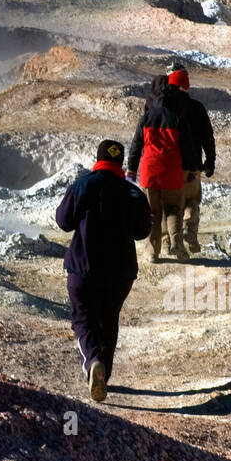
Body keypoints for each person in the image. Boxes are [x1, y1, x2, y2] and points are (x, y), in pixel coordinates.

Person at [56, 139, 151, 402]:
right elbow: (143, 231)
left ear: (98, 160)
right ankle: (102, 376)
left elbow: (63, 221)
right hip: (120, 273)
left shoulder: (83, 185)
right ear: (120, 163)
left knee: (83, 318)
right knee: (108, 318)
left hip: (83, 269)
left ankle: (92, 363)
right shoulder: (132, 193)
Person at [126, 75, 200, 262]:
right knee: (174, 209)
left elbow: (136, 145)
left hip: (149, 170)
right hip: (172, 171)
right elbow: (188, 147)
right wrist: (191, 169)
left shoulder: (147, 118)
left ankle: (152, 253)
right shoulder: (177, 119)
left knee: (152, 213)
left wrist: (131, 169)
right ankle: (176, 243)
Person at [164, 68, 216, 254]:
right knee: (192, 200)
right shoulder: (197, 107)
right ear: (186, 86)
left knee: (171, 204)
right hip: (192, 166)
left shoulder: (164, 107)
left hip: (169, 166)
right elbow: (207, 137)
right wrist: (210, 160)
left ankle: (171, 241)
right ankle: (190, 231)